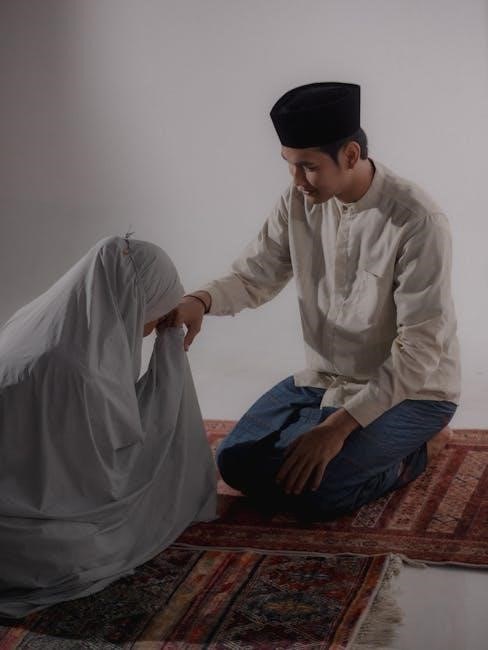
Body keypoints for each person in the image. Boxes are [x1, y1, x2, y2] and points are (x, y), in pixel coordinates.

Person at [167, 82, 461, 520]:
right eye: (289, 165)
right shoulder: (299, 200)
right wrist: (200, 301)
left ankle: (422, 450)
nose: (297, 181)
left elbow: (420, 349)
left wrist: (336, 429)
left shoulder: (417, 221)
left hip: (413, 392)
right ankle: (328, 437)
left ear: (350, 155)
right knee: (235, 463)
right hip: (323, 379)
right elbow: (254, 273)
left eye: (308, 167)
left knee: (315, 495)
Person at [0, 236, 216, 618]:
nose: (159, 320)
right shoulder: (81, 373)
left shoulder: (35, 327)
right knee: (89, 546)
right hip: (21, 528)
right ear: (135, 299)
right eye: (158, 308)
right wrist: (169, 362)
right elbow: (107, 472)